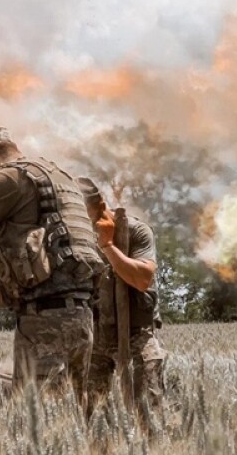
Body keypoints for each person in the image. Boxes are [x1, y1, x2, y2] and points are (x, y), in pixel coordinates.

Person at [0, 127, 103, 401]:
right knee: (74, 418)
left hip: (45, 320)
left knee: (38, 423)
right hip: (81, 317)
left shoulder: (9, 177)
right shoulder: (58, 175)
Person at [76, 177, 166, 415]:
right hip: (97, 334)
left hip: (137, 333)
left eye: (85, 214)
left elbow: (142, 278)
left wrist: (107, 246)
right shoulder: (77, 235)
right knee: (91, 415)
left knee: (148, 410)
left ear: (100, 206)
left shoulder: (135, 230)